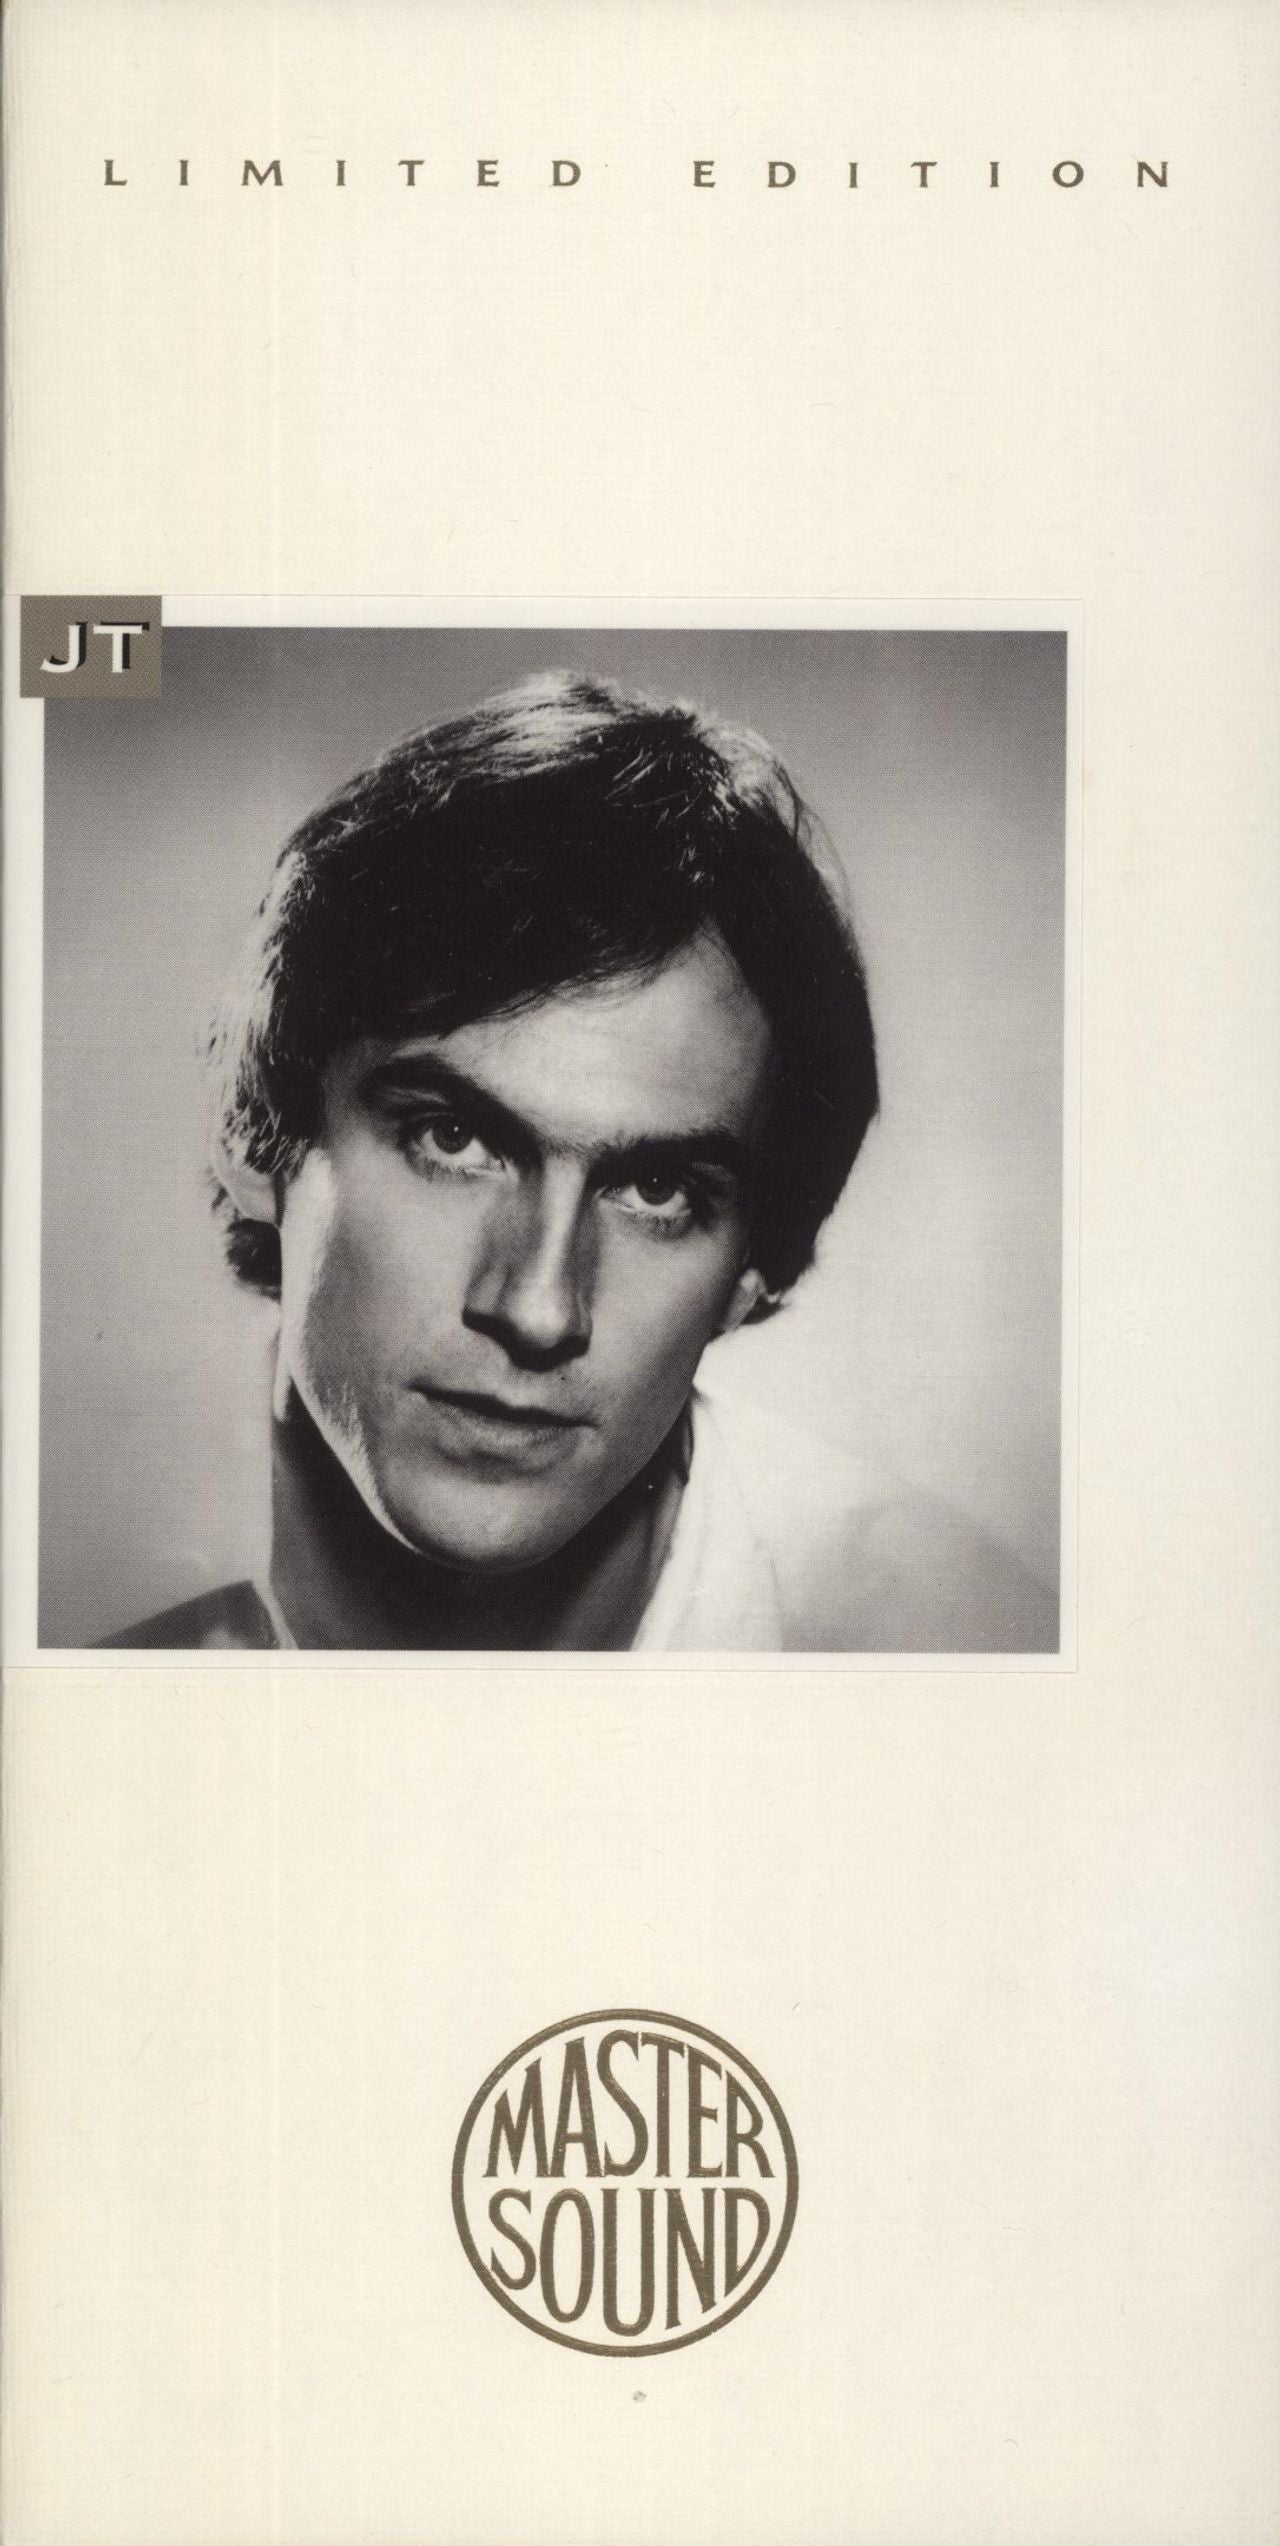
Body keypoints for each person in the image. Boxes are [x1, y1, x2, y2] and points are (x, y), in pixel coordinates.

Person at [103, 669, 1056, 1652]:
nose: (539, 1310)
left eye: (656, 1191)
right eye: (454, 1140)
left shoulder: (949, 1649)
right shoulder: (69, 1624)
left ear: (748, 1278)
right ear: (258, 1131)